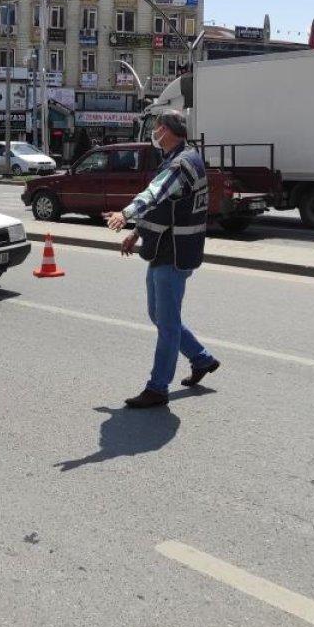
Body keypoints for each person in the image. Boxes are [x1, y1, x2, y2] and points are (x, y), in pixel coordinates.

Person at [103, 110, 219, 409]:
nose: (153, 133)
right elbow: (163, 207)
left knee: (167, 324)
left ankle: (157, 388)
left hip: (175, 254)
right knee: (160, 316)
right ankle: (201, 358)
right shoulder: (175, 159)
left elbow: (154, 194)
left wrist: (125, 214)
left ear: (165, 130)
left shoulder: (182, 164)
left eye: (155, 128)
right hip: (163, 250)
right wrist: (136, 233)